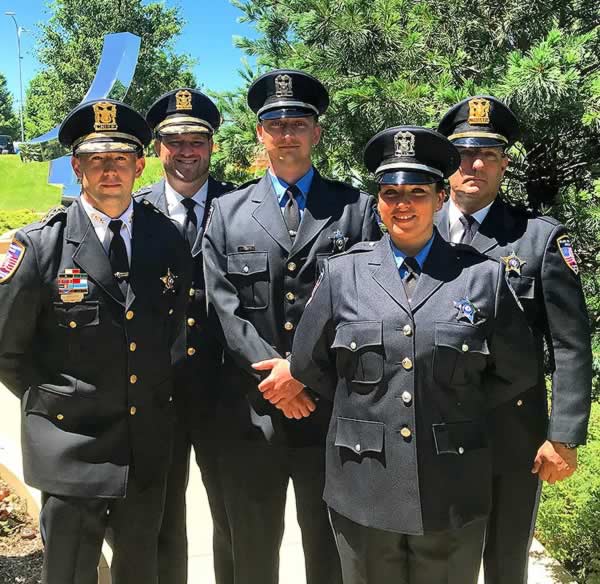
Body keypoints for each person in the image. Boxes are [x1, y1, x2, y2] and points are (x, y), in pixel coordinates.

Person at [290, 126, 539, 584]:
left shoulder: (482, 277)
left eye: (417, 192)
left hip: (451, 482)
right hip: (363, 480)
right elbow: (309, 364)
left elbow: (518, 368)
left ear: (441, 198)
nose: (402, 204)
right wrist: (365, 405)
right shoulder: (343, 274)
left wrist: (453, 404)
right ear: (378, 202)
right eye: (390, 193)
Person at [0, 99, 192, 584]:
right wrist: (58, 401)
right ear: (76, 167)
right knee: (68, 574)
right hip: (71, 446)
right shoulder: (39, 246)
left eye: (120, 159)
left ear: (139, 165)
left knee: (139, 572)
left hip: (144, 445)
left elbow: (171, 330)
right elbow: (6, 349)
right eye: (97, 160)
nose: (110, 171)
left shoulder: (166, 239)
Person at [202, 69, 381, 584]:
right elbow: (223, 307)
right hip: (251, 413)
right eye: (274, 123)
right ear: (260, 133)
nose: (286, 133)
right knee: (251, 549)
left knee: (328, 549)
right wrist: (276, 379)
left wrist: (301, 372)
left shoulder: (356, 209)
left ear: (316, 133)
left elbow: (364, 307)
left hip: (327, 410)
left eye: (298, 122)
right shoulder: (227, 212)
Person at [435, 96, 593, 584]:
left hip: (512, 431)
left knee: (506, 561)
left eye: (488, 154)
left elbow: (571, 343)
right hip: (434, 428)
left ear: (504, 163)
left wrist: (564, 436)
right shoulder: (417, 231)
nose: (474, 165)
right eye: (463, 154)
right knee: (438, 557)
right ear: (446, 164)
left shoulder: (537, 238)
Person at [134, 88, 236, 584]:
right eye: (174, 140)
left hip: (226, 390)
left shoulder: (242, 206)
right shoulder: (131, 212)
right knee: (161, 519)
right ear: (158, 149)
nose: (186, 150)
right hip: (158, 392)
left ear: (212, 145)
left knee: (235, 518)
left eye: (197, 139)